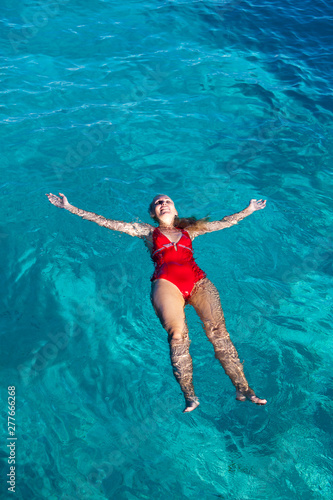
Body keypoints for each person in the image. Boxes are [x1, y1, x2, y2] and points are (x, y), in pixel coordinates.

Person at [46, 192, 267, 413]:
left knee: (219, 332)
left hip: (199, 282)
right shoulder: (147, 231)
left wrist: (249, 210)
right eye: (158, 203)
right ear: (153, 213)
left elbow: (223, 223)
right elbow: (106, 222)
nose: (163, 203)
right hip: (166, 284)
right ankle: (190, 395)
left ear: (175, 210)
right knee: (178, 335)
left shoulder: (189, 231)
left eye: (167, 201)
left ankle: (243, 388)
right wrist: (70, 207)